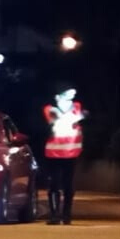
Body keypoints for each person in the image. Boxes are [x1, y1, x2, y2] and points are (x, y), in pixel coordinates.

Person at [42, 86, 86, 224]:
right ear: (57, 97)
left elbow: (81, 118)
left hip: (71, 151)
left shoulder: (76, 107)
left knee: (68, 185)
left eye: (72, 95)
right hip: (53, 153)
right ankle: (55, 215)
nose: (70, 98)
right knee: (54, 184)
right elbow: (51, 121)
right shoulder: (50, 110)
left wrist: (82, 116)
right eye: (66, 94)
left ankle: (66, 215)